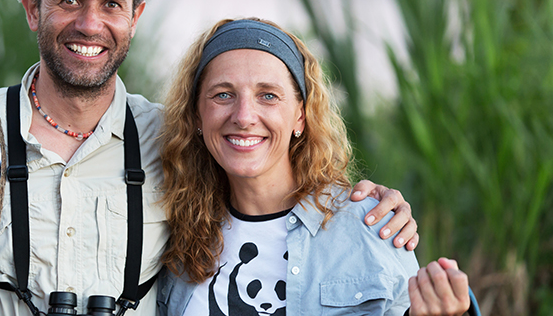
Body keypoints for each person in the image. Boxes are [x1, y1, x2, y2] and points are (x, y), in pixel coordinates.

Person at [0, 0, 419, 316]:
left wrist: (368, 207)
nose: (90, 24)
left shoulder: (165, 139)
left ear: (135, 17)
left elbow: (264, 177)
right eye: (69, 0)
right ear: (33, 11)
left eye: (112, 3)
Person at [156, 18, 471, 315]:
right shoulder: (174, 233)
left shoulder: (372, 226)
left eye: (268, 96)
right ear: (197, 115)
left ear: (300, 117)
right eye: (222, 95)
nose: (244, 116)